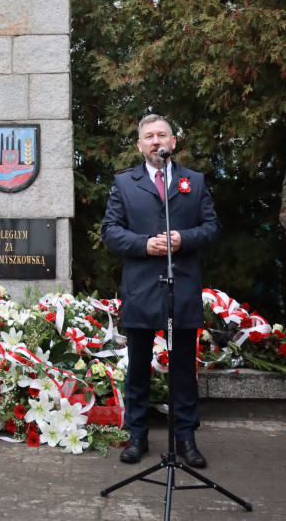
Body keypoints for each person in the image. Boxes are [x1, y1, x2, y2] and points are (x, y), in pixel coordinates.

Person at [101, 114, 221, 468]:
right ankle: (136, 435)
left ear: (173, 142)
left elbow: (212, 227)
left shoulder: (193, 182)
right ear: (140, 146)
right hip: (140, 287)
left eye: (162, 135)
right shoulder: (125, 183)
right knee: (138, 366)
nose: (156, 141)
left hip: (181, 285)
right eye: (149, 137)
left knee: (183, 367)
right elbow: (110, 231)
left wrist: (185, 239)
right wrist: (143, 244)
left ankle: (185, 437)